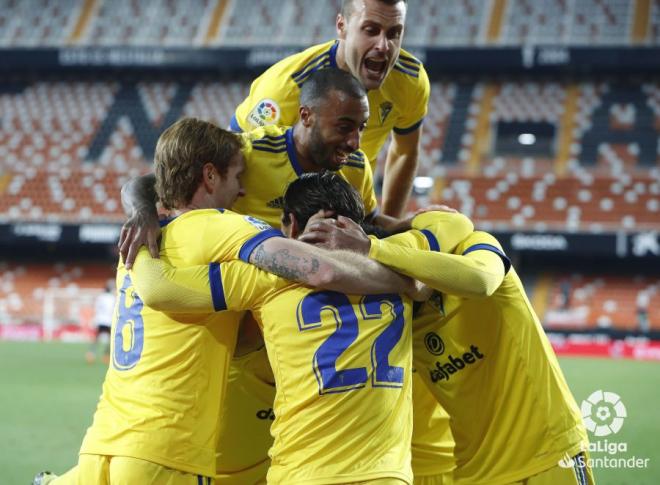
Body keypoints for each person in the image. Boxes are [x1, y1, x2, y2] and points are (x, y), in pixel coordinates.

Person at [120, 69, 454, 484]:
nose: (354, 143)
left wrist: (412, 225)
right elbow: (163, 175)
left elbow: (367, 228)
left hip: (293, 334)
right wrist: (141, 211)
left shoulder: (356, 167)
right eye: (344, 127)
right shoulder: (253, 150)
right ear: (307, 116)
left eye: (363, 129)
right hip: (246, 341)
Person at [35, 119, 414, 485]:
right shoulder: (217, 224)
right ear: (210, 175)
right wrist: (409, 278)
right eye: (237, 177)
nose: (244, 192)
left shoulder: (138, 242)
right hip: (167, 452)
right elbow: (315, 269)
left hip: (103, 443)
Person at [302, 213, 595, 484]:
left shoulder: (476, 246)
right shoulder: (399, 317)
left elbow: (481, 280)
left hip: (547, 453)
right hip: (473, 471)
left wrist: (373, 249)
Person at [231, 0, 428, 218]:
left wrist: (390, 226)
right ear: (342, 27)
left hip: (348, 202)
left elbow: (404, 152)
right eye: (370, 30)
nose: (383, 45)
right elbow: (235, 160)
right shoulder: (285, 90)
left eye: (394, 33)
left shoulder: (410, 81)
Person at [85, 280, 115, 365]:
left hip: (99, 319)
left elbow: (96, 308)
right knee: (111, 340)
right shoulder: (112, 298)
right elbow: (112, 309)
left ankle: (91, 354)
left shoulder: (100, 297)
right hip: (108, 320)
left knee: (96, 339)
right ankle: (106, 356)